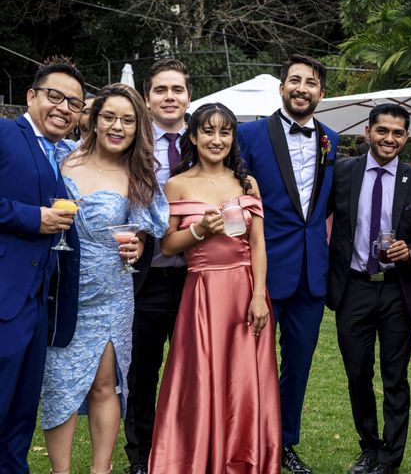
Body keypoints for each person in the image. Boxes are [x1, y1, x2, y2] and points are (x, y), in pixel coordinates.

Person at [40, 83, 169, 474]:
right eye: (110, 117)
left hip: (112, 292)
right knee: (60, 382)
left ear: (137, 128)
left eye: (128, 120)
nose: (118, 126)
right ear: (93, 121)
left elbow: (149, 227)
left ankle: (101, 470)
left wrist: (140, 242)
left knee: (104, 384)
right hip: (61, 288)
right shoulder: (61, 157)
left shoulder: (139, 175)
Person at [149, 102, 281, 473]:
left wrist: (259, 296)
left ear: (233, 138)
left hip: (244, 291)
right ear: (193, 136)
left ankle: (242, 458)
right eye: (208, 131)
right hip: (201, 292)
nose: (216, 139)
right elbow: (167, 246)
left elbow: (258, 244)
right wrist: (200, 231)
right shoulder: (177, 184)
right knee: (199, 376)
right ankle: (196, 456)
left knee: (243, 380)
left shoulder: (246, 182)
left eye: (225, 132)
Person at [238, 53, 339, 473]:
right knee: (250, 366)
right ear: (281, 88)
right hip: (259, 271)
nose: (302, 88)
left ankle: (284, 444)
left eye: (311, 83)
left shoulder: (331, 139)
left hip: (311, 274)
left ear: (321, 92)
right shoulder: (248, 135)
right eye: (294, 80)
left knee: (297, 366)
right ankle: (245, 441)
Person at [327, 104, 411, 474]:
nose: (390, 139)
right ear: (369, 131)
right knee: (357, 373)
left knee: (395, 377)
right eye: (383, 131)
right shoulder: (341, 173)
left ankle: (390, 458)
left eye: (398, 133)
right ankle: (369, 447)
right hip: (353, 288)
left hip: (395, 290)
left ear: (406, 137)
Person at [0, 57, 82, 474]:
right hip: (4, 294)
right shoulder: (3, 133)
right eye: (55, 96)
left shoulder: (62, 155)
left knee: (21, 412)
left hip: (38, 303)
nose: (64, 108)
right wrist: (34, 218)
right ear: (31, 96)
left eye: (74, 103)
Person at [125, 58, 191, 474]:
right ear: (147, 99)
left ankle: (186, 449)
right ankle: (141, 456)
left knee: (190, 369)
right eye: (161, 90)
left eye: (177, 90)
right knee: (143, 371)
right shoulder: (131, 143)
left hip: (194, 277)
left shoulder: (206, 140)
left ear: (188, 95)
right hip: (144, 276)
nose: (170, 97)